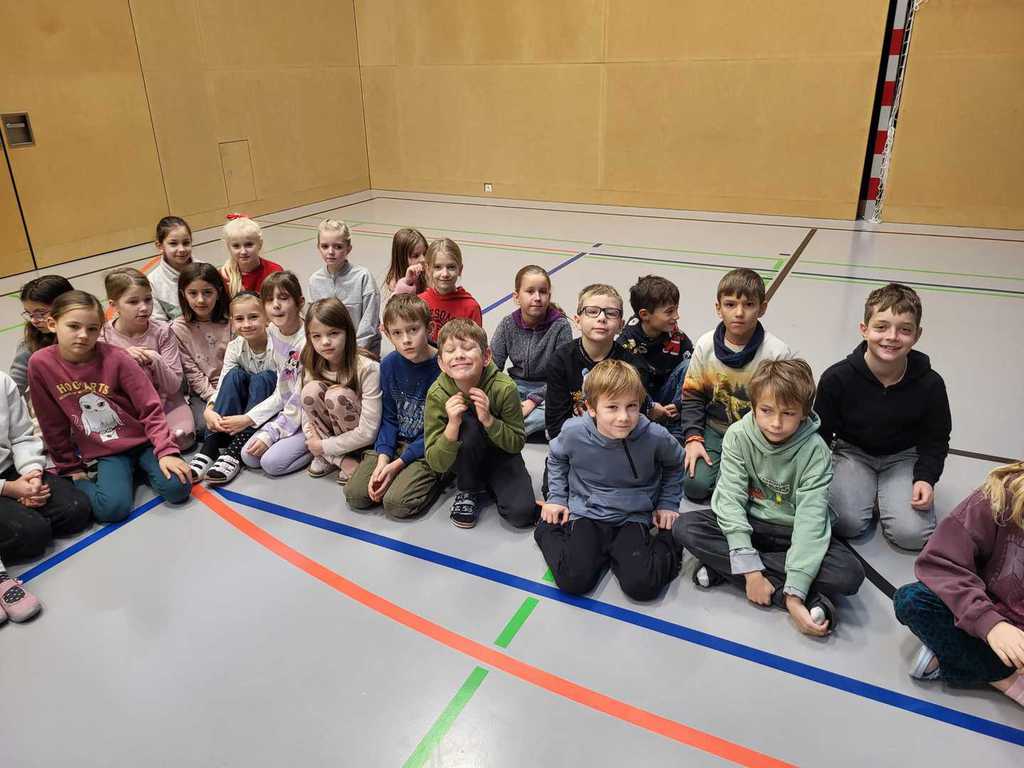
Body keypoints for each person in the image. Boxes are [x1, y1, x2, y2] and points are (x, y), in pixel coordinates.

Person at [675, 359, 864, 635]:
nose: (776, 423)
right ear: (753, 407)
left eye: (788, 413)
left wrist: (795, 591)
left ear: (804, 413)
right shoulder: (738, 436)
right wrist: (753, 574)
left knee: (849, 574)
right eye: (766, 411)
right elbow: (730, 501)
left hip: (791, 531)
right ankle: (783, 591)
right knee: (685, 527)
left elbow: (810, 521)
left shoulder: (816, 451)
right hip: (750, 523)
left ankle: (727, 569)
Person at [28, 291, 191, 522]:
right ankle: (127, 473)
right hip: (107, 451)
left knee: (178, 488)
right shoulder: (40, 364)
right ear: (53, 324)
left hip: (144, 441)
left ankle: (140, 468)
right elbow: (51, 421)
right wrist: (71, 468)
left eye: (92, 329)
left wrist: (166, 451)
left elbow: (150, 407)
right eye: (73, 326)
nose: (83, 335)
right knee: (112, 510)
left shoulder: (117, 358)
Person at [816, 282, 950, 550]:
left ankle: (885, 492)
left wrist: (925, 477)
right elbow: (820, 435)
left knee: (912, 535)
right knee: (845, 523)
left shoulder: (931, 384)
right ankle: (866, 490)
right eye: (881, 327)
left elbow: (936, 438)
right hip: (853, 453)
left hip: (904, 457)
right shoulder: (836, 378)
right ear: (864, 329)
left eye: (904, 330)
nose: (892, 337)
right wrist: (816, 477)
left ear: (917, 335)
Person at [536, 360, 684, 601]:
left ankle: (673, 538)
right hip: (587, 510)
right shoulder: (573, 432)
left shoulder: (655, 436)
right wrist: (557, 498)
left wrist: (667, 504)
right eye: (612, 407)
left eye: (632, 406)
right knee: (574, 580)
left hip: (633, 514)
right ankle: (546, 528)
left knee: (642, 586)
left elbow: (675, 463)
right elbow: (556, 457)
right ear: (591, 408)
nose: (623, 417)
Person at [893, 462, 1024, 707]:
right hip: (984, 609)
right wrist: (991, 624)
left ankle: (957, 658)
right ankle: (1007, 680)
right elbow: (939, 562)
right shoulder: (1004, 493)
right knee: (912, 601)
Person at [680, 268, 791, 501]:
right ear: (718, 308)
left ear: (762, 308)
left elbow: (784, 407)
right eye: (730, 305)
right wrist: (693, 438)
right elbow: (692, 396)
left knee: (736, 490)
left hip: (755, 436)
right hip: (714, 428)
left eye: (749, 305)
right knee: (695, 487)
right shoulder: (705, 345)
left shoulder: (777, 352)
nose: (739, 313)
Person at [424, 319, 537, 529]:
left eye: (468, 348)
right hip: (463, 458)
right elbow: (436, 463)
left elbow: (516, 443)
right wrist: (452, 425)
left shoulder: (505, 388)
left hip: (501, 455)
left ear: (486, 356)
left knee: (522, 514)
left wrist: (489, 420)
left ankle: (488, 482)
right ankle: (469, 487)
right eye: (450, 350)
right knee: (467, 421)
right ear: (441, 363)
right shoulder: (437, 394)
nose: (459, 355)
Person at [346, 295, 445, 518]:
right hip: (397, 442)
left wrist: (398, 464)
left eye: (413, 330)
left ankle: (441, 476)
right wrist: (383, 458)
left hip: (427, 447)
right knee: (356, 495)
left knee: (396, 504)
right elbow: (389, 417)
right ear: (387, 334)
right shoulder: (389, 364)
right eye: (397, 333)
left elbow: (438, 431)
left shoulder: (443, 367)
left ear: (429, 328)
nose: (406, 340)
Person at [0, 369, 91, 563]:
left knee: (76, 510)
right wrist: (8, 489)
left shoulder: (3, 382)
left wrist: (32, 475)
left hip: (10, 469)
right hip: (5, 484)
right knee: (29, 534)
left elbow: (21, 437)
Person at [100, 268, 194, 451]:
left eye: (148, 299)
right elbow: (103, 386)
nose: (144, 307)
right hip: (126, 408)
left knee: (183, 438)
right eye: (133, 302)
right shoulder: (103, 336)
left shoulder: (163, 331)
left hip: (166, 402)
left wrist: (154, 358)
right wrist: (123, 357)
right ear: (113, 305)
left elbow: (173, 386)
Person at [544, 283, 652, 441]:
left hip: (617, 443)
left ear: (621, 325)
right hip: (574, 442)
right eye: (592, 312)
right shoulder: (560, 361)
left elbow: (634, 423)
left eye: (611, 313)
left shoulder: (634, 367)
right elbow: (555, 424)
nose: (601, 318)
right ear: (577, 321)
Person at [192, 292, 275, 484]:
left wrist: (248, 418)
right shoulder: (235, 346)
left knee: (264, 378)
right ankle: (211, 445)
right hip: (244, 406)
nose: (246, 324)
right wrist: (210, 409)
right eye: (239, 319)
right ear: (232, 322)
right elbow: (223, 383)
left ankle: (235, 450)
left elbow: (283, 393)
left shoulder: (277, 344)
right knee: (234, 375)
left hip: (267, 409)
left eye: (253, 317)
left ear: (266, 317)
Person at [490, 265, 572, 438]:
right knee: (486, 401)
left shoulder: (560, 326)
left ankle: (507, 431)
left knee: (560, 407)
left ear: (549, 296)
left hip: (548, 389)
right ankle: (525, 428)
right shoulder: (507, 324)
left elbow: (562, 376)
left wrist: (533, 401)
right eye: (530, 291)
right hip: (515, 387)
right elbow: (492, 366)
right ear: (516, 297)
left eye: (543, 292)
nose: (537, 298)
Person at [617, 274, 694, 441]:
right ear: (645, 315)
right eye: (670, 312)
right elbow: (627, 383)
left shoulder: (676, 336)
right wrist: (649, 406)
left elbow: (694, 371)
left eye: (676, 309)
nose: (677, 316)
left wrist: (678, 405)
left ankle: (673, 424)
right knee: (627, 374)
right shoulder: (627, 341)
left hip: (667, 398)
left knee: (690, 364)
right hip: (640, 399)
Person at [170, 262, 231, 436]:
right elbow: (192, 372)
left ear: (218, 293)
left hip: (233, 385)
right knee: (205, 427)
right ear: (183, 294)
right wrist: (213, 398)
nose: (201, 300)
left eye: (207, 292)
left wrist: (228, 394)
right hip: (204, 393)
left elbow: (237, 363)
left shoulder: (232, 320)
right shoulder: (177, 329)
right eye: (193, 293)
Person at [306, 219, 381, 356]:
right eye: (324, 246)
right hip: (329, 351)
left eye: (338, 247)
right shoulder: (314, 281)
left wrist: (355, 352)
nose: (330, 252)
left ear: (348, 248)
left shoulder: (363, 277)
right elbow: (314, 322)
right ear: (318, 247)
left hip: (361, 351)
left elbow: (370, 322)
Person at [11, 275, 73, 398]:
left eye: (41, 313)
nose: (34, 320)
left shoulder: (95, 334)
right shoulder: (29, 347)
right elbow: (12, 392)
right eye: (29, 314)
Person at [418, 238, 482, 344]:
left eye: (451, 267)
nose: (445, 274)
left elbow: (475, 346)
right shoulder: (420, 302)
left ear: (460, 270)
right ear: (428, 269)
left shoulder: (470, 307)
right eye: (438, 267)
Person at [220, 215, 281, 296]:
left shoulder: (274, 272)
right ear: (228, 247)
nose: (243, 252)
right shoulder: (224, 276)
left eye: (249, 244)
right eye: (236, 246)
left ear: (260, 244)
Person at [148, 215, 195, 322]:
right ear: (160, 246)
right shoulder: (152, 282)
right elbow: (158, 323)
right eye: (173, 244)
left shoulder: (205, 269)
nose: (182, 249)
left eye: (186, 243)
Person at [381, 227, 428, 307]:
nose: (423, 259)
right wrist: (407, 283)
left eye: (425, 253)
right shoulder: (395, 284)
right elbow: (399, 308)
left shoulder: (427, 273)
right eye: (415, 256)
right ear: (401, 258)